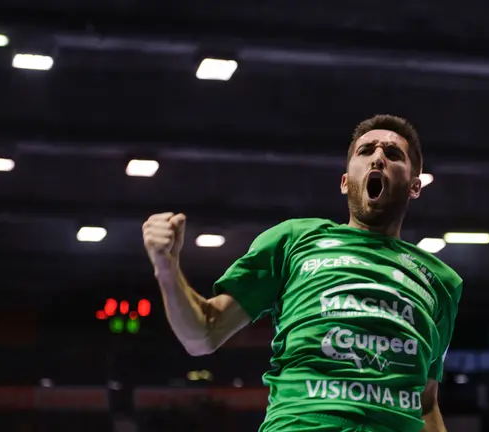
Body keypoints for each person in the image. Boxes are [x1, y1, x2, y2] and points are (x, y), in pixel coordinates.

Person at [142, 114, 463, 432]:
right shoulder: (295, 240)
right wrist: (167, 269)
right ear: (345, 181)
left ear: (415, 185)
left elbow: (426, 403)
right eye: (365, 152)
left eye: (393, 154)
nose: (378, 158)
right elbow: (203, 334)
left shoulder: (441, 282)